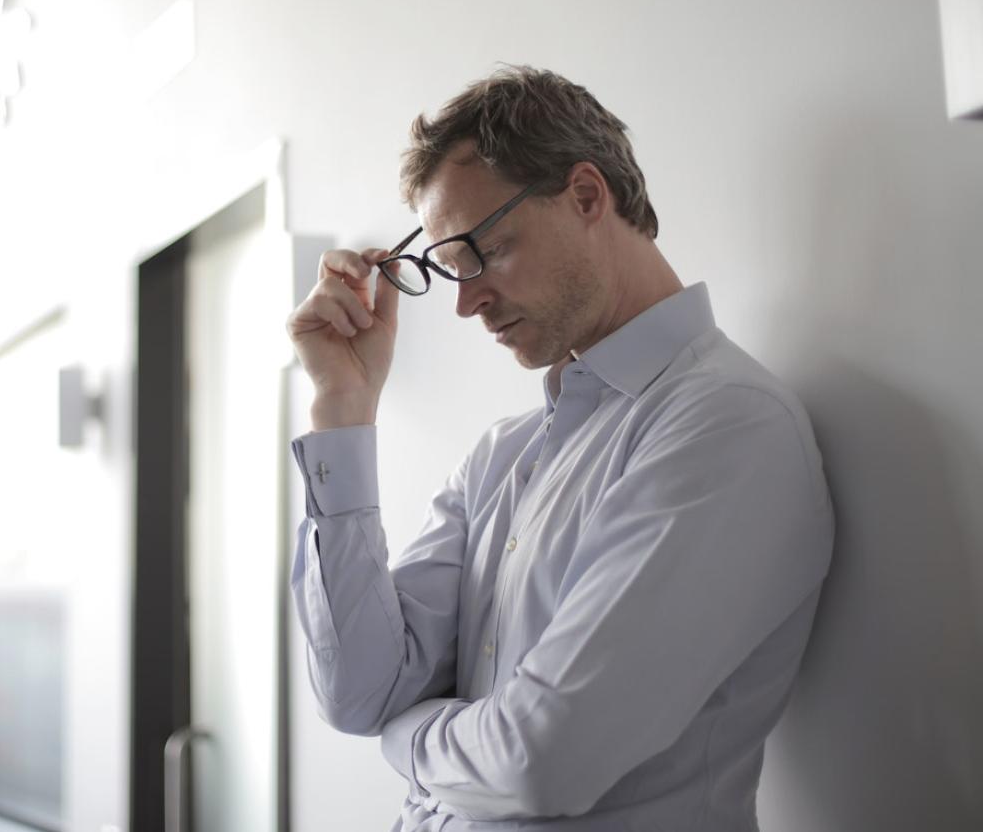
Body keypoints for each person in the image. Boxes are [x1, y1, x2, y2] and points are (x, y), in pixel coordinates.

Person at [284, 65, 834, 831]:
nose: (467, 302)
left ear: (585, 196)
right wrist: (342, 409)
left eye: (483, 251)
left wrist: (407, 736)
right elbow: (359, 693)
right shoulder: (500, 457)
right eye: (448, 271)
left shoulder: (727, 425)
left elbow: (540, 761)